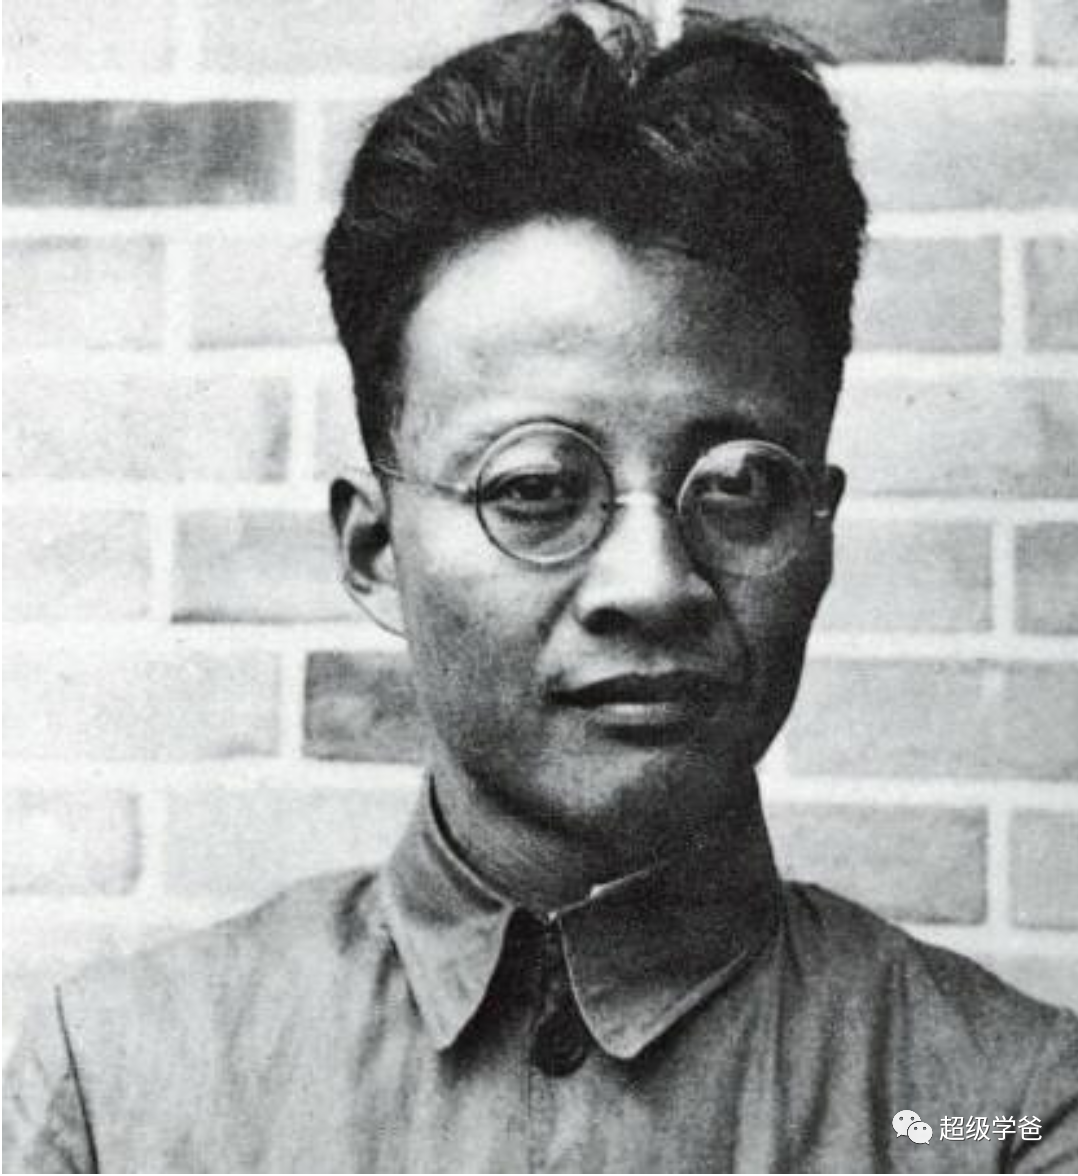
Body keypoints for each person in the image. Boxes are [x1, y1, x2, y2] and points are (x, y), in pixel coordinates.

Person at [4, 6, 1077, 1173]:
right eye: (535, 490)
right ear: (374, 549)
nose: (651, 583)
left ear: (818, 529)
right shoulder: (124, 1086)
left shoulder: (995, 1114)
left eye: (738, 486)